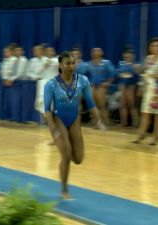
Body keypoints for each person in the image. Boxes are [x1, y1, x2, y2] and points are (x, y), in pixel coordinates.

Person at [44, 51, 105, 199]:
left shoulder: (82, 80)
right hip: (58, 120)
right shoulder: (51, 84)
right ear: (60, 65)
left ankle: (66, 151)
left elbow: (90, 103)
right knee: (65, 154)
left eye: (73, 63)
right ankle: (64, 189)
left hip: (74, 120)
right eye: (67, 63)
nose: (71, 66)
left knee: (78, 159)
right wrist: (53, 128)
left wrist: (98, 120)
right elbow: (47, 109)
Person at [133, 38, 158, 145]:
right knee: (145, 112)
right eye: (154, 45)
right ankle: (141, 134)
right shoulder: (148, 59)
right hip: (148, 88)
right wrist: (141, 86)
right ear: (150, 48)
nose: (157, 48)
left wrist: (157, 76)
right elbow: (144, 73)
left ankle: (156, 137)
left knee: (157, 114)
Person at [86, 48, 115, 126]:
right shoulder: (88, 64)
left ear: (102, 53)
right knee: (92, 106)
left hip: (101, 86)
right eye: (93, 51)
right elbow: (81, 74)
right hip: (92, 86)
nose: (95, 52)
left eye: (98, 51)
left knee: (101, 106)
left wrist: (108, 83)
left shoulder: (106, 63)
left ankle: (106, 123)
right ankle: (96, 123)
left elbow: (112, 73)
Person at [117, 47, 140, 127]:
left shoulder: (136, 65)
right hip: (122, 86)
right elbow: (119, 73)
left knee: (132, 105)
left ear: (133, 56)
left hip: (132, 86)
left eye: (130, 54)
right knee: (122, 105)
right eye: (126, 54)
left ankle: (136, 123)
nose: (127, 56)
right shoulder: (121, 63)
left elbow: (137, 76)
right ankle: (123, 123)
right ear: (123, 55)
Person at [36, 46, 58, 116]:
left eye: (51, 51)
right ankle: (43, 118)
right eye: (48, 51)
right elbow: (37, 73)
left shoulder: (57, 60)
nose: (49, 52)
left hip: (54, 83)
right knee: (42, 101)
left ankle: (51, 118)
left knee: (52, 102)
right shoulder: (42, 60)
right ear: (45, 52)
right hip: (43, 83)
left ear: (54, 52)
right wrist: (44, 66)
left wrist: (53, 63)